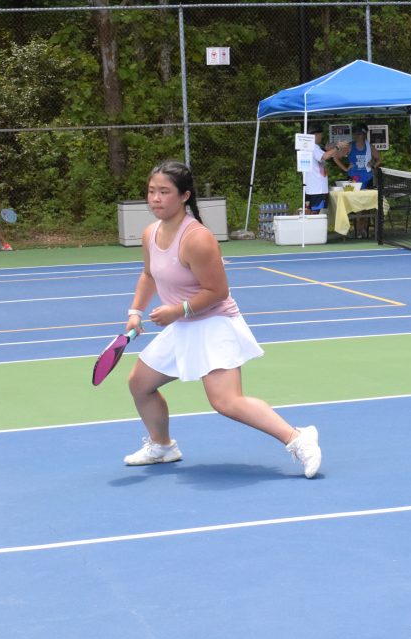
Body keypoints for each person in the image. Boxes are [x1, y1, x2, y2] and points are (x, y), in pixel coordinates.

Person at [122, 160, 322, 477]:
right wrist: (135, 312)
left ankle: (298, 439)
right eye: (151, 192)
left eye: (164, 192)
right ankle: (162, 446)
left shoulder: (197, 239)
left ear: (185, 195)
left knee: (226, 401)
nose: (155, 199)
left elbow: (217, 291)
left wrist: (177, 310)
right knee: (140, 384)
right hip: (183, 325)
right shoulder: (151, 233)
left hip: (213, 323)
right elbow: (149, 275)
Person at [333, 127, 382, 238]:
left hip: (367, 177)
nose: (359, 136)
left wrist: (373, 166)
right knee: (353, 202)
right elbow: (335, 157)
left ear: (365, 135)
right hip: (353, 179)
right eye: (357, 134)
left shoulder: (369, 147)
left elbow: (379, 159)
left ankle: (361, 228)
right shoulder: (350, 146)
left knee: (366, 203)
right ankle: (354, 228)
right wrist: (345, 169)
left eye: (361, 134)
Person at [302, 127, 344, 215]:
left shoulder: (310, 147)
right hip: (316, 187)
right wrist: (337, 147)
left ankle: (310, 227)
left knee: (311, 209)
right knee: (315, 211)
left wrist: (326, 149)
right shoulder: (313, 147)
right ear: (316, 135)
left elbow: (321, 155)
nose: (321, 137)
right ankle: (314, 227)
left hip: (312, 186)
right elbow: (324, 157)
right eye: (321, 135)